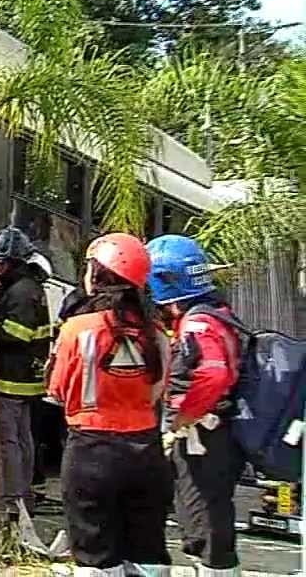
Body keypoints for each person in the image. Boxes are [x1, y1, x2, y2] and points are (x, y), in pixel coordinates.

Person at [47, 233, 172, 574]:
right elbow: (158, 390)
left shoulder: (76, 329)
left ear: (98, 275)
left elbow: (57, 390)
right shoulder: (157, 332)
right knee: (148, 552)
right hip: (147, 451)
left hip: (91, 450)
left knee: (95, 554)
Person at [148, 234, 243, 576]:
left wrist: (182, 418)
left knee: (203, 520)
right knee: (209, 515)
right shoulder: (217, 312)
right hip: (213, 434)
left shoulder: (197, 323)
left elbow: (212, 376)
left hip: (203, 436)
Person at [0, 227, 51, 518]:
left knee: (9, 440)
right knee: (23, 439)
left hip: (12, 379)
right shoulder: (28, 287)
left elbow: (18, 334)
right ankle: (22, 496)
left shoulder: (21, 292)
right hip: (25, 379)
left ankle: (13, 498)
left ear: (13, 262)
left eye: (0, 262)